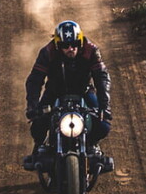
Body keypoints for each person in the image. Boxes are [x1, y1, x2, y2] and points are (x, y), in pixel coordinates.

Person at [24, 20, 111, 161]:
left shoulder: (91, 51)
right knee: (37, 124)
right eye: (65, 45)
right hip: (54, 92)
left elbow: (102, 77)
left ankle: (91, 144)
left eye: (75, 44)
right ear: (57, 45)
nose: (70, 49)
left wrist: (104, 106)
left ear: (80, 42)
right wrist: (32, 107)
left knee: (103, 125)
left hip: (84, 91)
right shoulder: (47, 52)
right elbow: (34, 80)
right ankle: (39, 147)